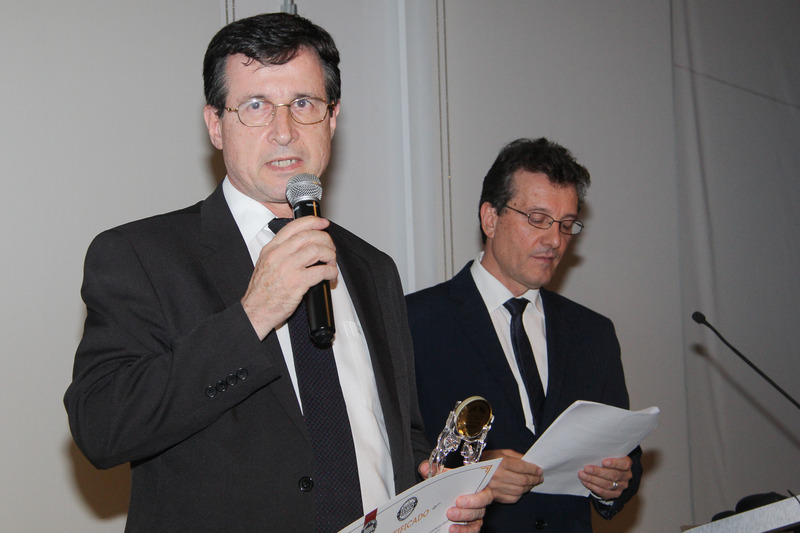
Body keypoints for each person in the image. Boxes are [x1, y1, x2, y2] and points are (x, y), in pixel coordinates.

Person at [64, 12, 489, 533]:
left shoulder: (373, 268)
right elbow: (102, 428)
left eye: (304, 104)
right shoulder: (140, 256)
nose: (284, 131)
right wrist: (253, 314)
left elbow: (395, 434)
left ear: (332, 119)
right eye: (256, 106)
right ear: (216, 125)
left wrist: (432, 498)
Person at [406, 138, 642, 532]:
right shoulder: (414, 321)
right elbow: (394, 448)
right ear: (490, 218)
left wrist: (615, 482)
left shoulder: (593, 333)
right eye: (537, 218)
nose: (555, 240)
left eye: (566, 224)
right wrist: (471, 471)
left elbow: (625, 454)